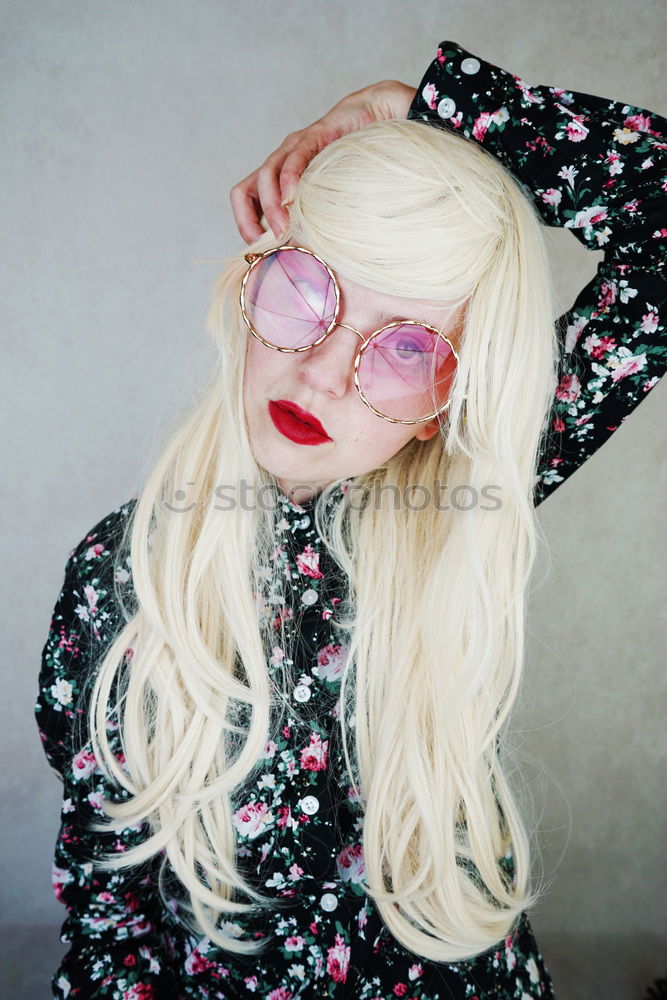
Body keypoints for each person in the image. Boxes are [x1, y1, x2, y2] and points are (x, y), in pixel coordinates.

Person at [35, 39, 665, 1000]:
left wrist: (430, 101)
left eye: (404, 348)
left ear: (445, 402)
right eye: (310, 289)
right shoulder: (118, 581)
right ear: (254, 277)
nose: (324, 372)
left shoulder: (460, 501)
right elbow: (108, 911)